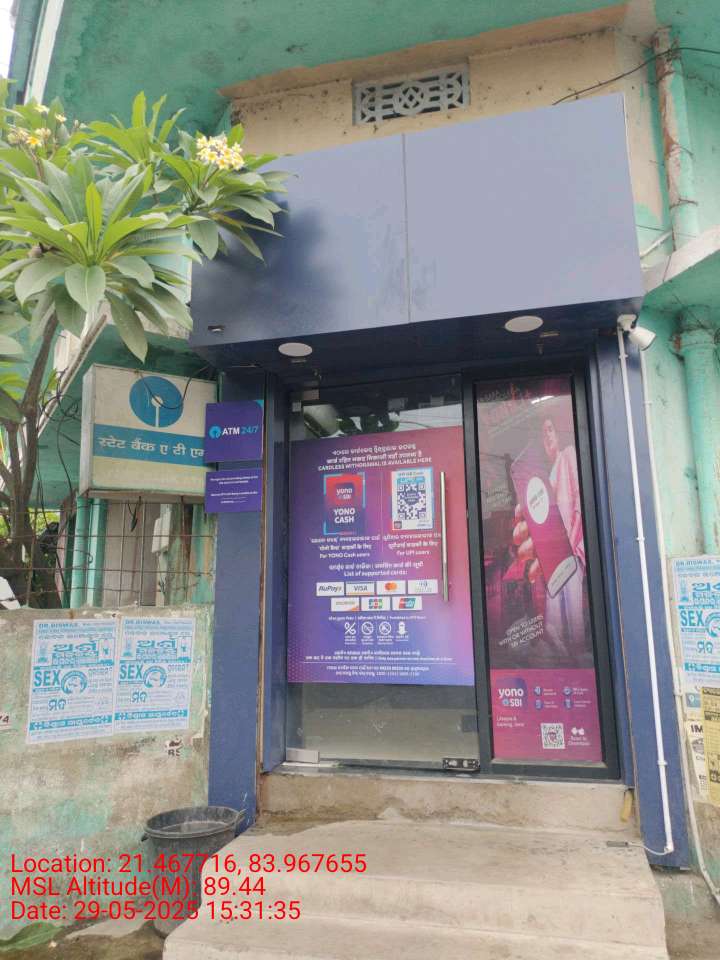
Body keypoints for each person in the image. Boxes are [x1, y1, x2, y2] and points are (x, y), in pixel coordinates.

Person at [512, 415, 588, 661]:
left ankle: (576, 662)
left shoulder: (568, 455)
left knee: (572, 613)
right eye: (543, 432)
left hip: (570, 549)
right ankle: (564, 662)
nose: (547, 436)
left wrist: (573, 544)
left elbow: (579, 500)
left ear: (559, 433)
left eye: (550, 429)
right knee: (555, 613)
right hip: (554, 555)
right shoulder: (547, 471)